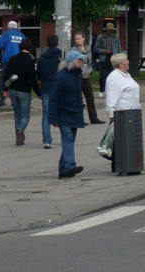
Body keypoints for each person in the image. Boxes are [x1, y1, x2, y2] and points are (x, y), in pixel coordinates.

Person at [49, 49, 87, 179]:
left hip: (74, 112)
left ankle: (63, 169)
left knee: (69, 141)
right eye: (80, 60)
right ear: (73, 62)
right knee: (68, 138)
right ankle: (70, 166)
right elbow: (53, 98)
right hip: (63, 113)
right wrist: (53, 118)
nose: (82, 62)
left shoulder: (77, 75)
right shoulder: (61, 77)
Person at [104, 52, 141, 172]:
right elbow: (112, 97)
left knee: (128, 141)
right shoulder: (115, 77)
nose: (128, 62)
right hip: (122, 113)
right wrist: (112, 114)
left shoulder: (126, 75)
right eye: (126, 60)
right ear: (120, 64)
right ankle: (120, 165)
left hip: (132, 113)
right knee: (121, 142)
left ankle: (129, 163)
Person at [3, 38, 41, 146]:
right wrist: (39, 93)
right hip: (24, 91)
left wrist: (5, 89)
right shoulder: (30, 61)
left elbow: (6, 74)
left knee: (17, 114)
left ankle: (18, 136)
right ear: (30, 48)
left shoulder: (13, 59)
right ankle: (21, 129)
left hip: (13, 90)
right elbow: (33, 79)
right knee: (25, 115)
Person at [36, 34, 62, 149]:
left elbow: (39, 76)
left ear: (47, 44)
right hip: (59, 88)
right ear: (57, 43)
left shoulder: (42, 57)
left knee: (46, 114)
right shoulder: (61, 55)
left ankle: (47, 140)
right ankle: (65, 137)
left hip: (46, 87)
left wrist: (40, 90)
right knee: (61, 113)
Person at [73, 32, 105, 124]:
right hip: (79, 76)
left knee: (90, 98)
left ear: (84, 39)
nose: (77, 40)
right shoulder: (74, 50)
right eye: (76, 39)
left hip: (87, 75)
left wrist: (90, 70)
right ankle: (80, 119)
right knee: (78, 99)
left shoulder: (87, 48)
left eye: (79, 38)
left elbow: (89, 61)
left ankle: (94, 118)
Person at [0, 20, 25, 107]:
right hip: (19, 60)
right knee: (16, 78)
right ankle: (15, 100)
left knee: (4, 78)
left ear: (8, 27)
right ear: (17, 27)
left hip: (7, 59)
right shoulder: (22, 35)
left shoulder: (6, 34)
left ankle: (2, 99)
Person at [92, 23, 121, 95]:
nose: (110, 30)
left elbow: (119, 48)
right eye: (109, 29)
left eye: (112, 29)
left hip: (113, 58)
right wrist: (104, 51)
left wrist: (119, 57)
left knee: (113, 75)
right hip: (104, 58)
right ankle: (102, 90)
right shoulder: (100, 38)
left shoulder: (116, 38)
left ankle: (111, 90)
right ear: (106, 29)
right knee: (103, 74)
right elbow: (95, 49)